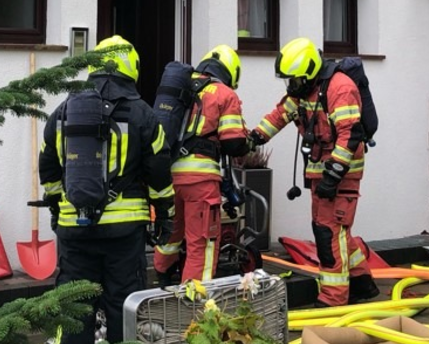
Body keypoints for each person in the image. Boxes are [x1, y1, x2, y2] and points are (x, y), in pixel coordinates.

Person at [38, 36, 174, 344]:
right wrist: (166, 215)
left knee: (74, 309)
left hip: (75, 229)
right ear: (131, 67)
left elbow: (47, 167)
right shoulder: (143, 113)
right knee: (123, 305)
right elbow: (159, 172)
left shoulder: (63, 112)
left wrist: (58, 207)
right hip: (124, 233)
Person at [248, 37, 378, 307]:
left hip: (342, 173)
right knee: (335, 231)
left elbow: (349, 135)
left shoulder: (340, 88)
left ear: (308, 73)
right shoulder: (304, 91)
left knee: (328, 233)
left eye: (294, 80)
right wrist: (253, 139)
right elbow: (280, 115)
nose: (291, 86)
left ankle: (332, 298)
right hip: (321, 172)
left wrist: (334, 174)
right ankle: (362, 284)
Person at [152, 44, 251, 285]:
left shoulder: (181, 86)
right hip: (200, 181)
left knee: (170, 235)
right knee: (202, 243)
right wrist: (248, 141)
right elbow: (233, 143)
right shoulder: (224, 94)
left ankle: (163, 279)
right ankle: (196, 306)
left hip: (168, 177)